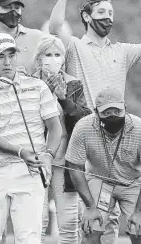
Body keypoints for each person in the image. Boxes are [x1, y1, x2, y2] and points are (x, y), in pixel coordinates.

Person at [0, 33, 63, 243]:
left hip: (30, 171)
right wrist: (20, 152)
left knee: (29, 238)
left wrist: (48, 155)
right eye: (0, 56)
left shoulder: (38, 87)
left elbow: (55, 129)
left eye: (11, 55)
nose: (7, 61)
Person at [66, 87, 141, 244]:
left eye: (117, 112)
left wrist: (138, 211)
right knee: (91, 229)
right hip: (99, 179)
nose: (113, 116)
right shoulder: (83, 128)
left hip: (132, 182)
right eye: (107, 113)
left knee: (140, 231)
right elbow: (75, 167)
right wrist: (90, 207)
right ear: (96, 112)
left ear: (125, 109)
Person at [31, 35, 91, 243]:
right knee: (37, 220)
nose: (53, 59)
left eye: (58, 55)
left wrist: (64, 99)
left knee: (68, 220)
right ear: (39, 58)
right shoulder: (29, 84)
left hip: (66, 161)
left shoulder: (73, 84)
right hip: (36, 158)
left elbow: (85, 118)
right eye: (48, 54)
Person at [0, 0, 44, 77]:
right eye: (7, 7)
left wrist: (28, 79)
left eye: (17, 8)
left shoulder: (37, 37)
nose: (13, 12)